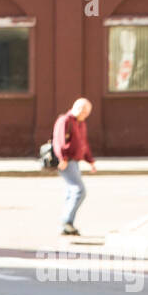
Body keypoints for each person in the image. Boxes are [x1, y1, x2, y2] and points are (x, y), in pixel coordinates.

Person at [54, 98, 96, 236]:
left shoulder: (80, 122)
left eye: (87, 113)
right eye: (84, 111)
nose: (85, 115)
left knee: (71, 192)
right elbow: (58, 140)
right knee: (79, 190)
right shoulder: (65, 120)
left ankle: (67, 224)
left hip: (75, 161)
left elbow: (83, 143)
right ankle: (66, 222)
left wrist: (90, 161)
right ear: (77, 108)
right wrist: (63, 158)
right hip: (67, 161)